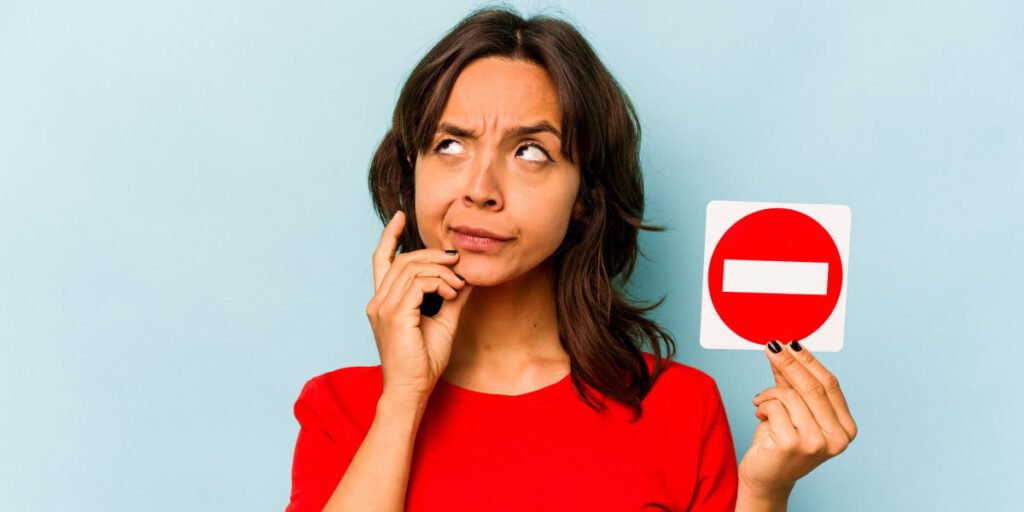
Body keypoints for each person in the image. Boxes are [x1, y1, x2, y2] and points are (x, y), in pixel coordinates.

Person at [286, 6, 857, 511]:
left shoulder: (679, 408)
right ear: (412, 172)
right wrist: (404, 400)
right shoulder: (340, 409)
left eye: (530, 151)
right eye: (450, 145)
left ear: (586, 195)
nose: (480, 188)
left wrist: (763, 494)